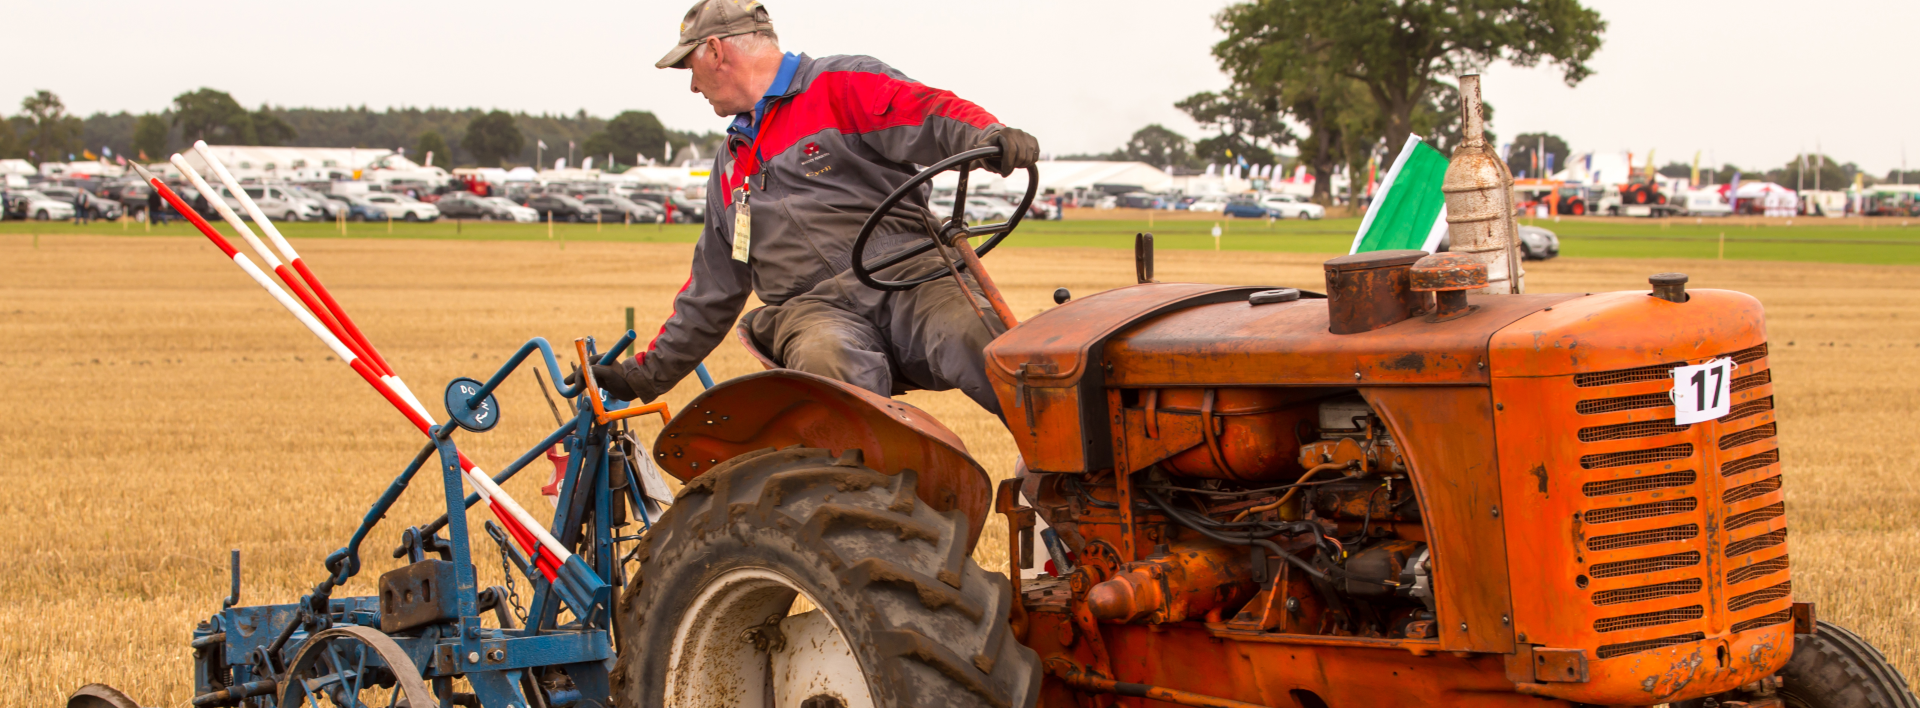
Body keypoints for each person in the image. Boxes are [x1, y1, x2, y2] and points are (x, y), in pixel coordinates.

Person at [580, 0, 1037, 416]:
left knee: (978, 338)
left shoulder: (838, 85)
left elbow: (926, 111)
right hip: (812, 308)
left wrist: (987, 136)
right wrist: (644, 375)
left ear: (716, 51)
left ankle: (1082, 472)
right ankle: (860, 497)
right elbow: (713, 291)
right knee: (828, 368)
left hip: (908, 274)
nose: (694, 86)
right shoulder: (729, 168)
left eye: (690, 67)